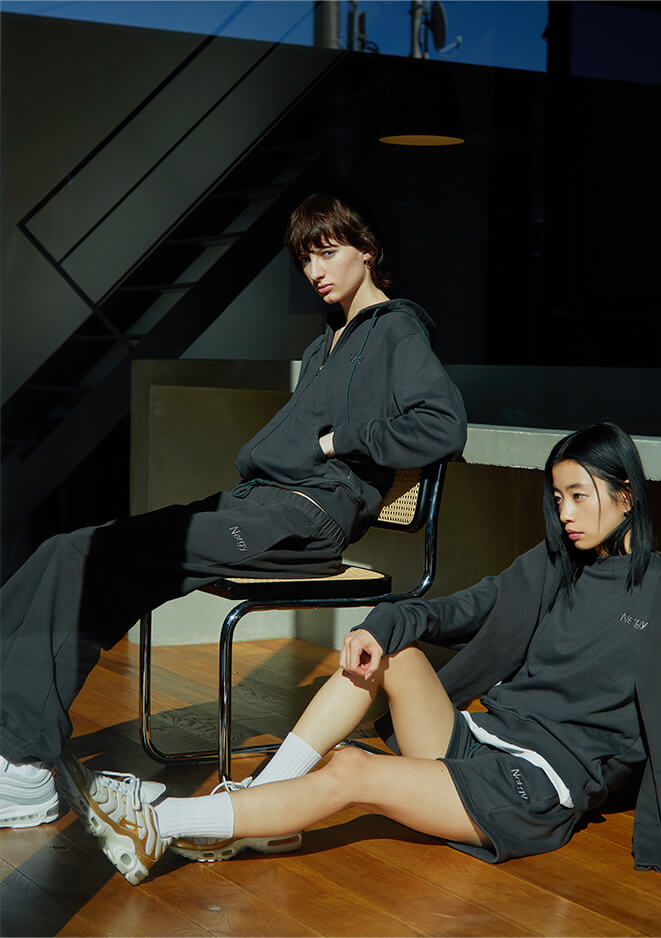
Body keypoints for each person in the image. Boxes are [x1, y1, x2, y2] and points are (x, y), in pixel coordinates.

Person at [53, 422, 661, 886]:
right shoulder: (553, 565)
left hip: (532, 789)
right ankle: (264, 804)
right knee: (389, 652)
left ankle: (162, 820)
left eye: (579, 495)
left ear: (627, 494)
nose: (565, 514)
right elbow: (459, 608)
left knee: (351, 769)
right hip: (478, 740)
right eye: (557, 498)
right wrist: (381, 626)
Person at [0, 193, 467, 832]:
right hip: (261, 503)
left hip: (304, 516)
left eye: (328, 253)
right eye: (305, 259)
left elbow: (442, 424)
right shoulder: (327, 341)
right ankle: (14, 733)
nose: (315, 271)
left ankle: (24, 763)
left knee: (93, 557)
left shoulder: (395, 329)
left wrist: (340, 442)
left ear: (367, 250)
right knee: (68, 551)